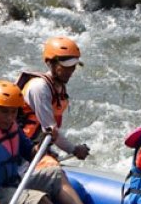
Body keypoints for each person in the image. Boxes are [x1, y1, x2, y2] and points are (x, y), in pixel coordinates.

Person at [15, 36, 90, 169]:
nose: (70, 71)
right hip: (20, 148)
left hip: (38, 144)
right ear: (50, 63)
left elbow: (52, 132)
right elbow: (49, 129)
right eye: (65, 67)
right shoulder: (40, 88)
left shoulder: (58, 86)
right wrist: (73, 149)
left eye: (73, 66)